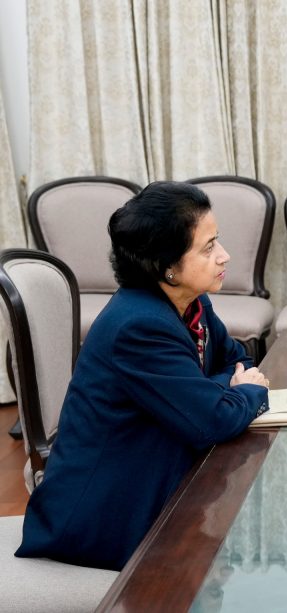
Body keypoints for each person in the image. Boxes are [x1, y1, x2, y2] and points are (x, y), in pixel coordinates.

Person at [16, 181, 270, 571]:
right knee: (241, 560)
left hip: (152, 480)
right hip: (103, 518)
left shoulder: (190, 302)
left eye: (217, 241)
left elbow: (237, 362)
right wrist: (239, 393)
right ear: (167, 268)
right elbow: (215, 420)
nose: (224, 256)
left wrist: (214, 393)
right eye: (208, 248)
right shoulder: (139, 327)